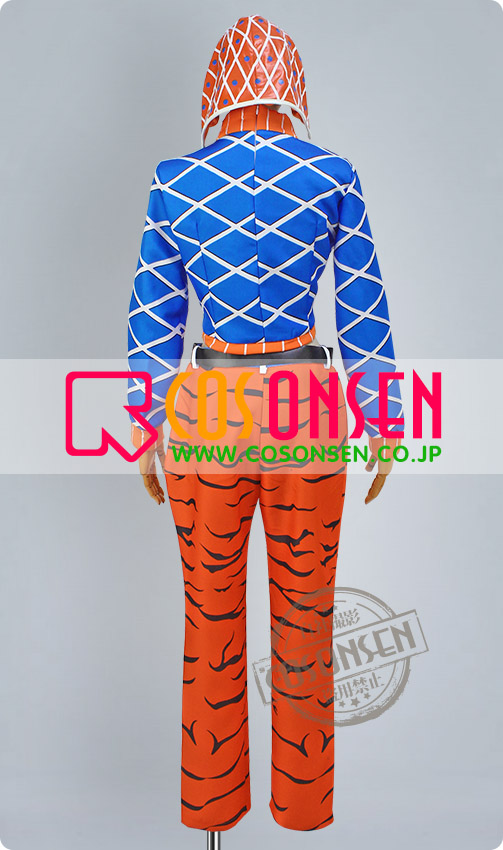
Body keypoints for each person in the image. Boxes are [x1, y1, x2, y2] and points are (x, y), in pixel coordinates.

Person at [127, 14, 403, 833]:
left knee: (209, 619)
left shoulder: (175, 180)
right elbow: (361, 305)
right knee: (305, 620)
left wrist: (144, 426)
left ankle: (212, 806)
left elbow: (153, 315)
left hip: (205, 410)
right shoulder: (332, 173)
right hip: (306, 408)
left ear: (215, 85)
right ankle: (302, 812)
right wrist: (384, 420)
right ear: (292, 83)